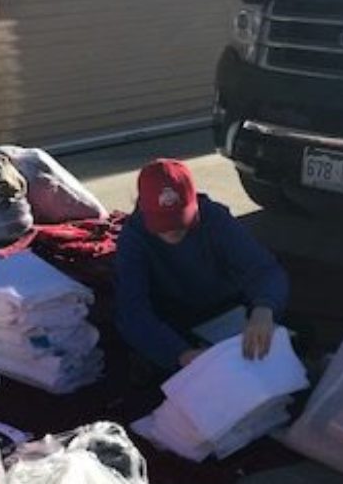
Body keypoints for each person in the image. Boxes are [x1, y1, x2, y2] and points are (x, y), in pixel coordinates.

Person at [115, 159, 290, 376]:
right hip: (176, 324)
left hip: (229, 310)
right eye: (163, 224)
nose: (172, 231)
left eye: (179, 221)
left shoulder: (214, 218)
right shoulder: (133, 238)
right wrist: (182, 354)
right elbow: (132, 310)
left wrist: (264, 309)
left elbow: (265, 269)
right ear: (143, 210)